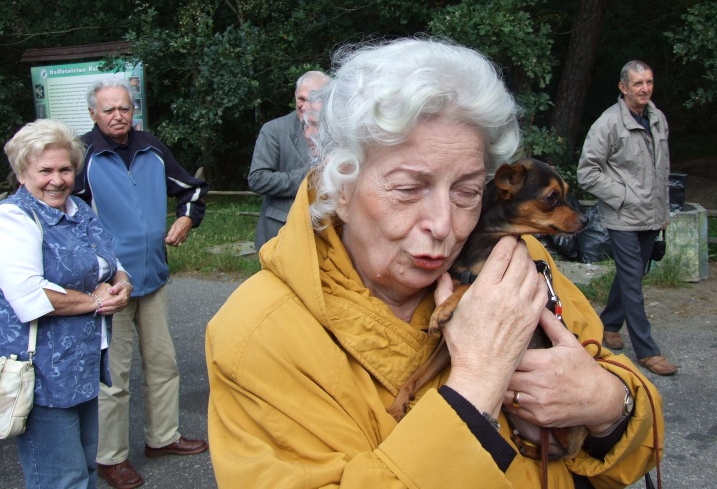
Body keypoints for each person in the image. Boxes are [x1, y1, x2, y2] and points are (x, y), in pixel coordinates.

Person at [206, 38, 664, 488]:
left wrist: (608, 404)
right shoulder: (256, 337)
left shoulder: (516, 261)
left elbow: (628, 439)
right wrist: (477, 385)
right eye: (408, 189)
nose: (444, 224)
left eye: (467, 191)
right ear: (341, 189)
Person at [73, 80, 210, 489]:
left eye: (124, 108)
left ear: (133, 110)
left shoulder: (151, 147)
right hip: (110, 287)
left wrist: (186, 219)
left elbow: (192, 189)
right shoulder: (81, 156)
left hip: (154, 277)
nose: (118, 116)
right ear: (93, 114)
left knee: (163, 364)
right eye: (109, 110)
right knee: (113, 377)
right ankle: (110, 458)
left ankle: (162, 437)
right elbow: (65, 216)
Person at [0, 119, 132, 489]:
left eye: (65, 170)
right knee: (61, 479)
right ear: (22, 173)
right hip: (44, 373)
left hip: (83, 365)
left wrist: (122, 284)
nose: (57, 180)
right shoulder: (13, 218)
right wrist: (96, 301)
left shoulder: (78, 209)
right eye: (45, 171)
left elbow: (110, 260)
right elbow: (31, 296)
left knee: (86, 470)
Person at [577, 60, 678, 376]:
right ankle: (647, 351)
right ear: (623, 87)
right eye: (638, 83)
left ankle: (608, 324)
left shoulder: (657, 118)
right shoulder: (608, 123)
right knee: (632, 278)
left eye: (649, 82)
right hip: (622, 216)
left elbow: (662, 169)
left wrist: (663, 210)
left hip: (651, 214)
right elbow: (586, 172)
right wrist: (622, 196)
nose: (645, 89)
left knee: (631, 274)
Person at [248, 70, 330, 250]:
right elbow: (257, 179)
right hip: (280, 232)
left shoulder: (337, 129)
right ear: (294, 95)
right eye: (301, 99)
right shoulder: (274, 130)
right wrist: (310, 176)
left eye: (312, 99)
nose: (305, 106)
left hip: (325, 233)